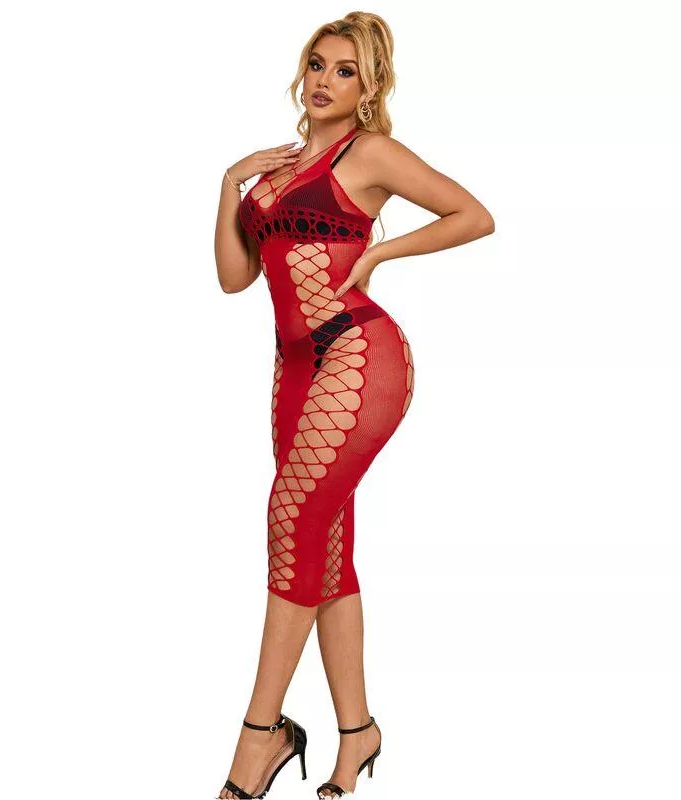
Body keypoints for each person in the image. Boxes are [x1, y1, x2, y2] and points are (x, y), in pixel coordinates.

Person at [213, 11, 494, 799]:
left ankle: (259, 739)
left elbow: (474, 215)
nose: (325, 80)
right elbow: (234, 278)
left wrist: (380, 253)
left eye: (345, 71)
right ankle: (356, 732)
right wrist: (228, 184)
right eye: (318, 63)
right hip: (293, 369)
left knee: (289, 523)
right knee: (323, 551)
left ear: (369, 89)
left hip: (358, 354)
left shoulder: (368, 153)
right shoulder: (274, 168)